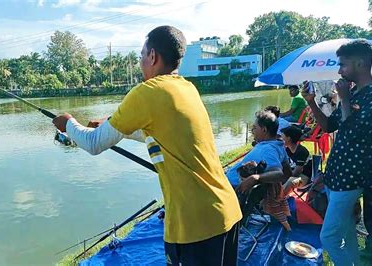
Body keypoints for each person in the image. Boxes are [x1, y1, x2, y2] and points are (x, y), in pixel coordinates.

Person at [53, 26, 242, 265]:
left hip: (195, 226)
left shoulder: (147, 91)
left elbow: (93, 144)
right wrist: (114, 127)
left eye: (142, 56)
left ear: (153, 56)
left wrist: (68, 123)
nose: (141, 62)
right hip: (226, 212)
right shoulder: (186, 88)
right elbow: (158, 134)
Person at [301, 39, 372, 265]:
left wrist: (344, 99)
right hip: (336, 175)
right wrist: (311, 102)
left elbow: (351, 133)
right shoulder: (353, 93)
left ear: (360, 64)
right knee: (346, 235)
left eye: (343, 65)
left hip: (351, 179)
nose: (339, 70)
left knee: (329, 237)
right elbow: (329, 126)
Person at [227, 111, 292, 231]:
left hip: (232, 189)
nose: (253, 131)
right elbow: (287, 172)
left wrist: (256, 178)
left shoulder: (269, 150)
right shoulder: (277, 145)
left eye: (255, 128)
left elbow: (279, 174)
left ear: (264, 130)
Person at [280, 125, 312, 195]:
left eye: (282, 137)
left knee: (290, 181)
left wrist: (284, 176)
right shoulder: (287, 149)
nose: (280, 139)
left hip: (304, 178)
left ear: (289, 138)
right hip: (292, 174)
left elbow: (297, 172)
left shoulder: (302, 151)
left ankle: (277, 200)